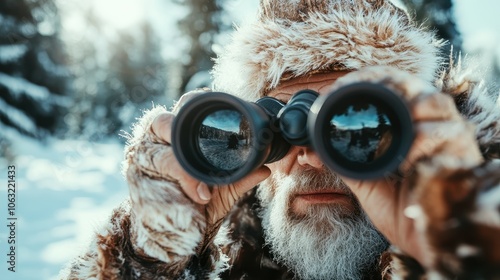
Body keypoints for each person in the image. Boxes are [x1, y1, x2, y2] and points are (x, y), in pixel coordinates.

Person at [61, 0, 500, 279]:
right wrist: (146, 256)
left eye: (351, 124)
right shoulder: (227, 260)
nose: (312, 158)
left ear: (410, 136)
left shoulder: (475, 227)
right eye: (278, 129)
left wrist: (466, 253)